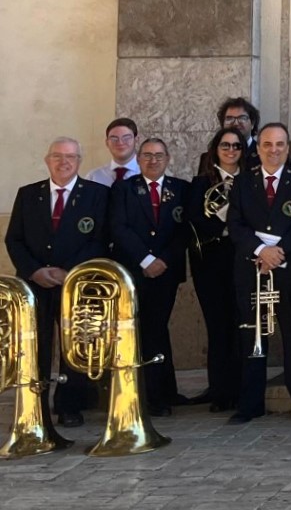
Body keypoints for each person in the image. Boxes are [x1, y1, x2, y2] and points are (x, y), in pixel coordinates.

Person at [6, 137, 110, 428]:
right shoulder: (28, 194)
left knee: (72, 345)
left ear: (80, 160)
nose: (64, 162)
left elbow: (100, 239)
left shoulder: (96, 194)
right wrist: (35, 270)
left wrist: (69, 272)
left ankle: (69, 406)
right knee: (36, 344)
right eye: (57, 156)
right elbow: (13, 238)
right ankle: (35, 404)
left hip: (75, 284)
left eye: (71, 157)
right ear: (47, 159)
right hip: (35, 284)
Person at [228, 123, 291, 424]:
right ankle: (250, 404)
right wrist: (259, 251)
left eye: (280, 144)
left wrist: (278, 252)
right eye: (267, 144)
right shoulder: (243, 183)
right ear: (258, 148)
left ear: (288, 148)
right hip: (252, 269)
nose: (274, 150)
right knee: (252, 337)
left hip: (289, 269)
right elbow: (236, 224)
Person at [107, 136, 188, 417]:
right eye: (147, 155)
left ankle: (165, 390)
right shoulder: (124, 189)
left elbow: (184, 231)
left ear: (168, 159)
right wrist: (146, 259)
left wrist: (163, 260)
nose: (153, 160)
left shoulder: (181, 189)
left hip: (166, 271)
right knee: (146, 329)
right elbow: (119, 227)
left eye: (159, 155)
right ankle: (154, 396)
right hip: (135, 270)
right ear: (138, 159)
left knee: (158, 326)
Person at [186, 128, 245, 412]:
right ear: (215, 149)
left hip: (241, 258)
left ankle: (242, 389)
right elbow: (194, 217)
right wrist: (223, 226)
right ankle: (220, 392)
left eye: (236, 146)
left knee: (241, 324)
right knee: (217, 326)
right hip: (210, 261)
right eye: (225, 145)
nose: (231, 150)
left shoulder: (249, 180)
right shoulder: (200, 183)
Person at [85, 117, 140, 185]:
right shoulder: (93, 177)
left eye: (126, 138)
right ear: (107, 142)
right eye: (114, 139)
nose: (120, 143)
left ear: (136, 140)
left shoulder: (149, 175)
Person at [218, 97, 263, 166]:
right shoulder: (210, 156)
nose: (236, 123)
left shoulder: (264, 154)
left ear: (252, 123)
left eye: (242, 118)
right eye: (229, 118)